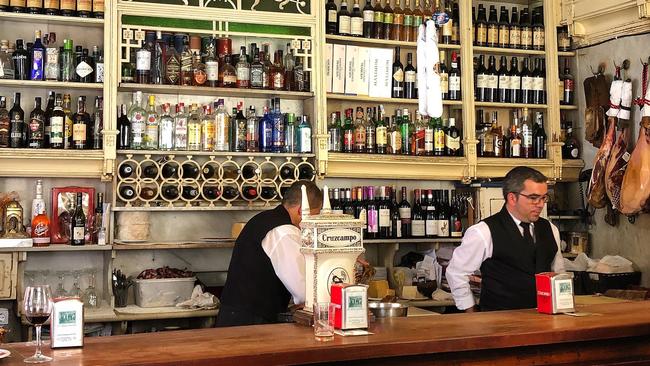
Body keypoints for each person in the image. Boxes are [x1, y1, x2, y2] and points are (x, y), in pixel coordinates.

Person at [446, 167, 565, 312]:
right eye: (533, 198)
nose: (540, 204)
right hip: (498, 322)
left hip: (543, 320)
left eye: (544, 198)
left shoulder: (550, 229)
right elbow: (456, 273)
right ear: (512, 198)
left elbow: (558, 273)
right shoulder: (483, 232)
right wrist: (471, 313)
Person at [216, 180, 323, 327]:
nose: (314, 223)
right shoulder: (285, 231)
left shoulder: (264, 218)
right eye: (315, 215)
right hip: (250, 323)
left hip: (236, 315)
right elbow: (302, 289)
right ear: (301, 210)